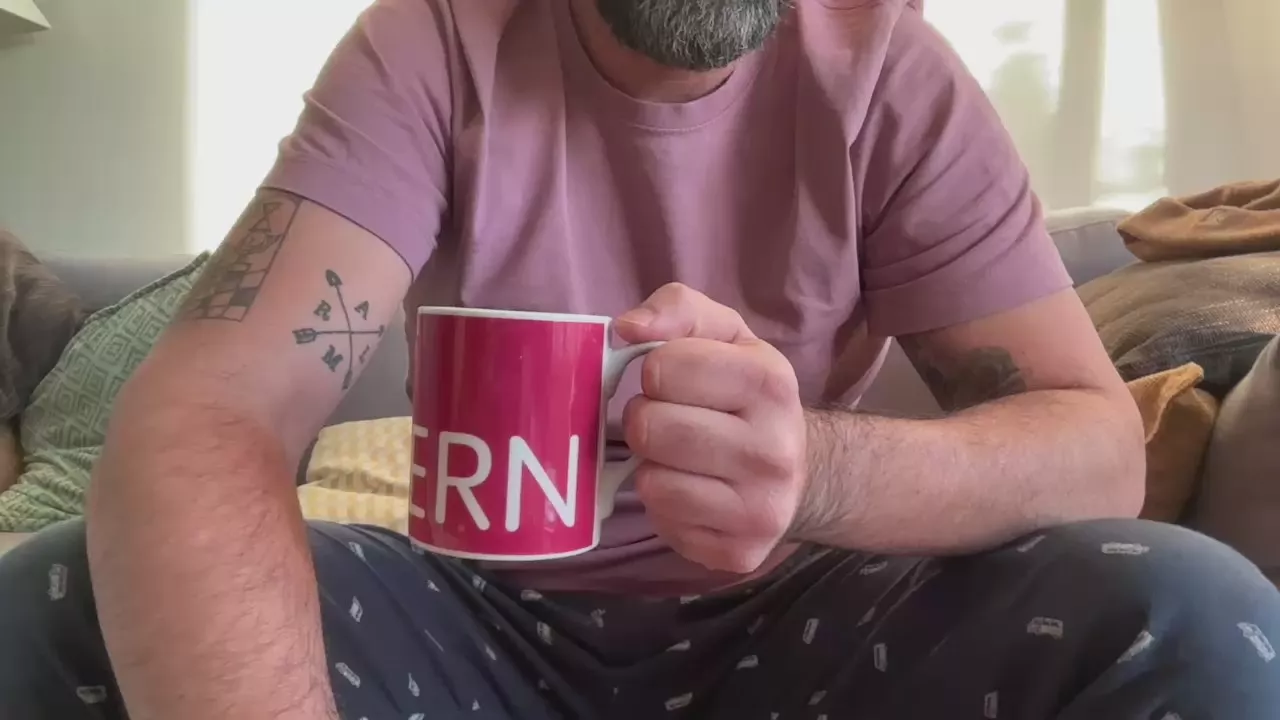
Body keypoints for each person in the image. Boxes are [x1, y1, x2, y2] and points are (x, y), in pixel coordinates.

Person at [1, 0, 1277, 718]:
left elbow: (1093, 445)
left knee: (1189, 608)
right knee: (59, 596)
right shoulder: (434, 40)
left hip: (802, 629)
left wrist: (817, 470)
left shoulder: (885, 68)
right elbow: (210, 414)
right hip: (464, 631)